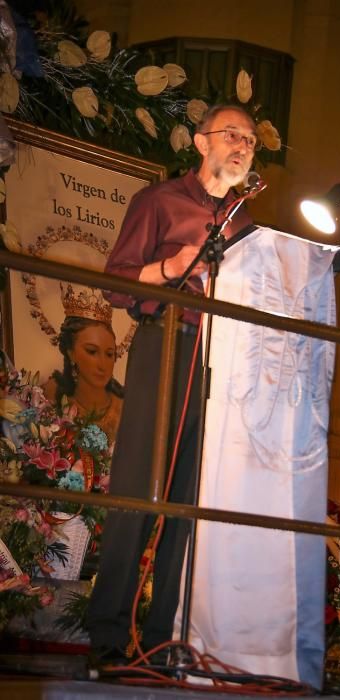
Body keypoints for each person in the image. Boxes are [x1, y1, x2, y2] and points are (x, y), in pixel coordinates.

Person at [87, 104, 256, 662]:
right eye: (233, 135)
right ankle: (110, 633)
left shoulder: (245, 227)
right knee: (137, 486)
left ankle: (164, 638)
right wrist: (168, 269)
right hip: (165, 343)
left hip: (220, 362)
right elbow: (113, 282)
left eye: (251, 141)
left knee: (191, 499)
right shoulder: (159, 201)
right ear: (202, 142)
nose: (243, 146)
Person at [43, 285, 123, 444]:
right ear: (71, 352)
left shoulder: (124, 408)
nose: (103, 364)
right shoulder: (52, 397)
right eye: (92, 352)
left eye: (109, 354)